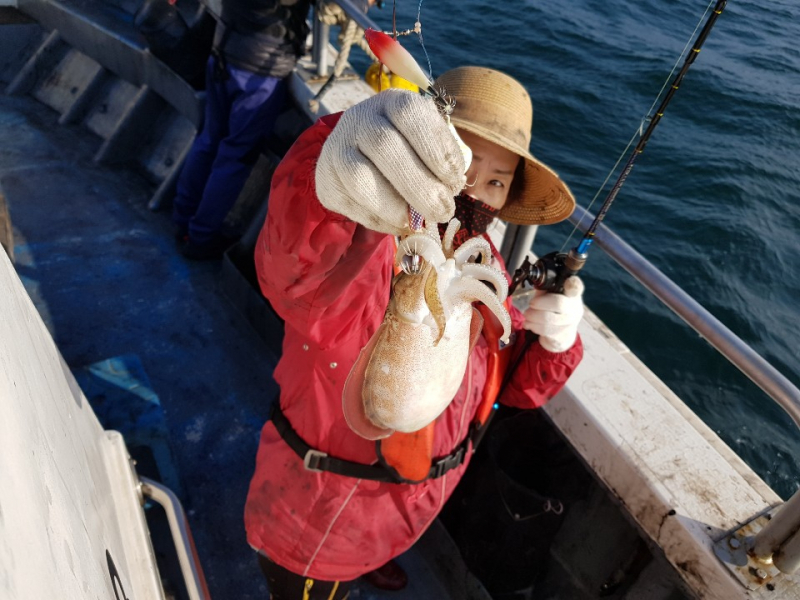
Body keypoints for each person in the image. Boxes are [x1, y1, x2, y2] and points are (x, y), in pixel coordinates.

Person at [246, 66, 585, 599]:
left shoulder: (484, 267)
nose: (475, 189)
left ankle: (372, 559)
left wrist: (554, 342)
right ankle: (345, 565)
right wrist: (327, 172)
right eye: (464, 162)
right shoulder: (368, 243)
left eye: (496, 180)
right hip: (321, 516)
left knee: (373, 552)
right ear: (425, 154)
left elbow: (512, 385)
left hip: (409, 506)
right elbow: (299, 274)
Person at [171, 0, 313, 260]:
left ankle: (182, 220)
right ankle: (200, 238)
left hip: (224, 51)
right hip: (259, 74)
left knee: (208, 139)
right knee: (235, 156)